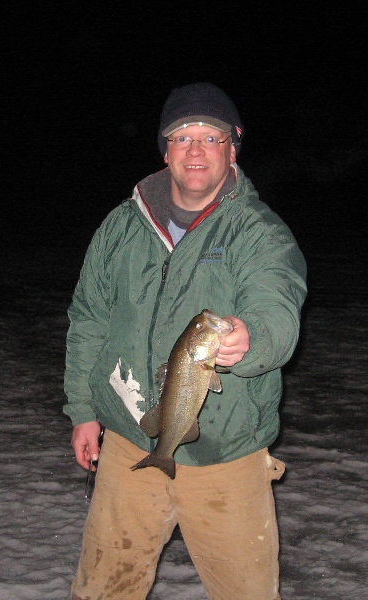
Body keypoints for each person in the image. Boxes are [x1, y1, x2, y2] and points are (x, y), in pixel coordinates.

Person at [63, 82, 307, 600]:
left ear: (232, 148)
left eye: (211, 137)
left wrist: (252, 338)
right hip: (129, 440)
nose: (195, 150)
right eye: (182, 137)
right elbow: (88, 320)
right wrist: (83, 410)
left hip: (228, 456)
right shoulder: (120, 227)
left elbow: (277, 307)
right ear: (165, 150)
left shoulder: (259, 232)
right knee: (103, 589)